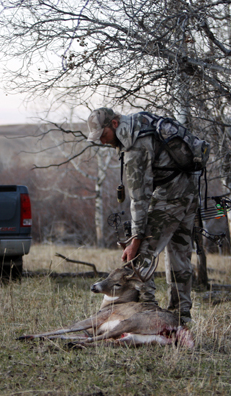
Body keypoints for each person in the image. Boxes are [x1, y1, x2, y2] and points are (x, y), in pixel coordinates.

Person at [86, 107, 199, 321]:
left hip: (170, 194)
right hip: (189, 189)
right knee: (179, 255)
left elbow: (139, 198)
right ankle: (182, 317)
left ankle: (148, 312)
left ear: (114, 124)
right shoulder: (141, 121)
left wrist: (136, 240)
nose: (102, 141)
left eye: (103, 135)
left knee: (142, 254)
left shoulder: (135, 146)